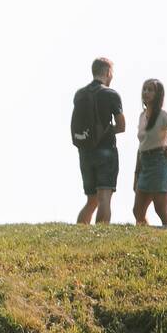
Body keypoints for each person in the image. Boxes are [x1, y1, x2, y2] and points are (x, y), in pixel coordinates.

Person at [71, 57, 125, 224]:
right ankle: (101, 234)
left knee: (91, 200)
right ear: (108, 72)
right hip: (105, 151)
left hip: (85, 150)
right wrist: (105, 134)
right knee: (104, 197)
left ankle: (80, 234)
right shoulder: (111, 94)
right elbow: (121, 126)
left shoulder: (79, 94)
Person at [132, 78, 167, 226]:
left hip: (160, 162)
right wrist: (136, 173)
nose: (146, 92)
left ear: (158, 94)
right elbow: (141, 145)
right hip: (145, 163)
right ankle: (146, 240)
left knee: (161, 209)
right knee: (137, 211)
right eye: (144, 89)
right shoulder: (142, 116)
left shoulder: (162, 115)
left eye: (150, 90)